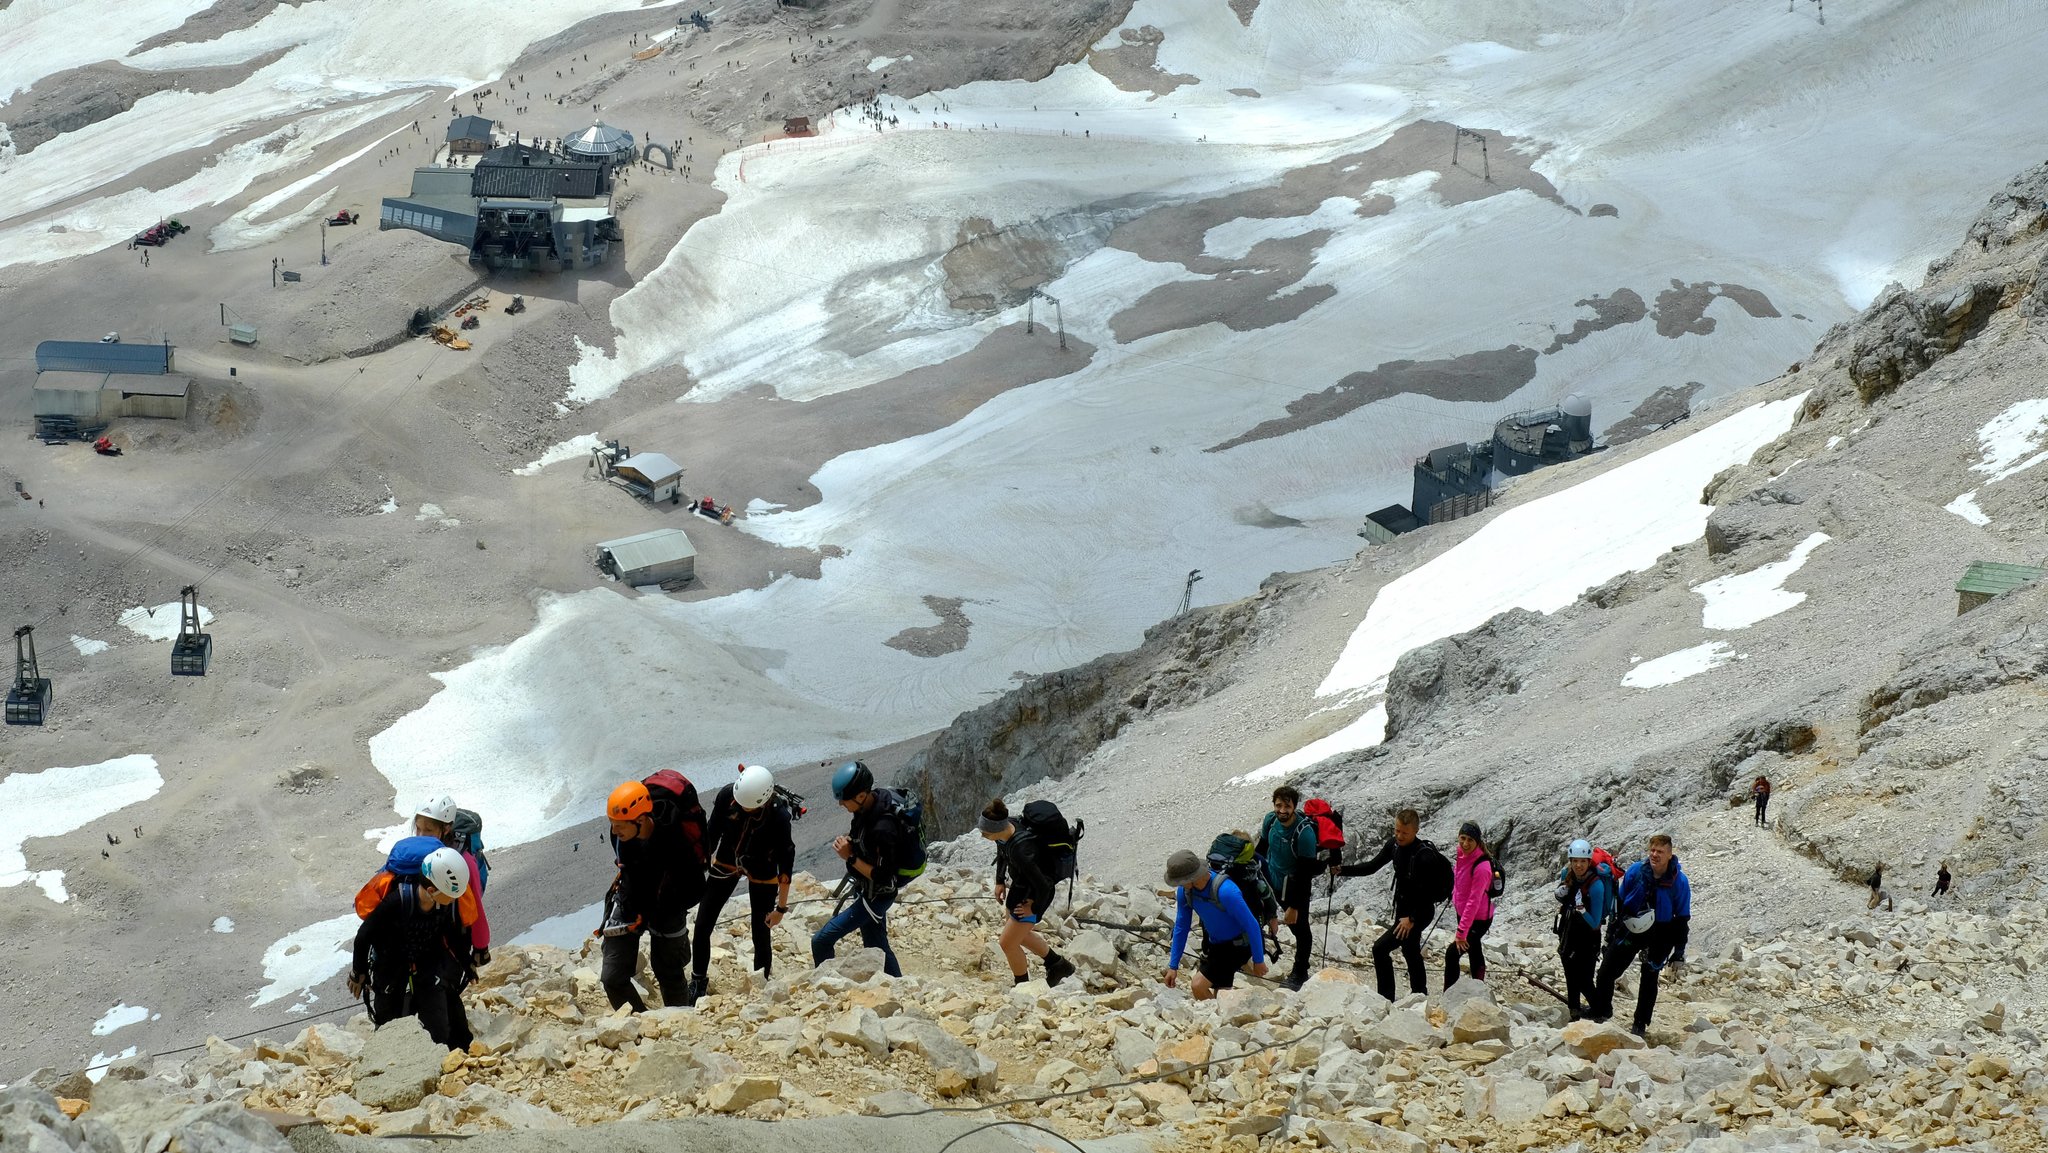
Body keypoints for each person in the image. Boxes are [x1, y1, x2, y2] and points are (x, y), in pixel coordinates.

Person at [349, 843, 474, 1049]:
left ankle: (447, 1058)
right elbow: (364, 936)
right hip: (391, 967)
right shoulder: (396, 901)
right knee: (389, 1024)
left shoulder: (440, 903)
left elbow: (449, 933)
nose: (454, 901)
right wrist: (358, 972)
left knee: (438, 1027)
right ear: (432, 890)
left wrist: (466, 962)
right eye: (451, 896)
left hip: (426, 963)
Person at [601, 775, 707, 1011]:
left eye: (620, 824)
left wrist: (661, 908)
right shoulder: (619, 835)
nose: (614, 830)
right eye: (612, 822)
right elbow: (627, 869)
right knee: (612, 977)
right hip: (631, 899)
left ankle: (678, 1022)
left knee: (667, 970)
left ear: (640, 819)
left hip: (668, 907)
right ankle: (639, 1025)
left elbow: (693, 888)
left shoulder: (674, 840)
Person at [691, 765, 795, 1000]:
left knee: (761, 931)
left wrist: (780, 909)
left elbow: (785, 864)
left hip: (763, 868)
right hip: (728, 859)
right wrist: (702, 867)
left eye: (748, 806)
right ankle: (698, 982)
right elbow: (712, 833)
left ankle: (762, 983)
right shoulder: (729, 796)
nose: (741, 807)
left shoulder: (779, 816)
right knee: (703, 922)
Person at [810, 761, 911, 978]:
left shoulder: (884, 826)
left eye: (844, 800)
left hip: (877, 895)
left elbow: (883, 877)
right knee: (877, 945)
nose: (841, 805)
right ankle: (898, 985)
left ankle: (828, 988)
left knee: (821, 941)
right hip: (869, 890)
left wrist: (851, 856)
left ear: (861, 796)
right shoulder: (873, 805)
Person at [1336, 809, 1443, 1002]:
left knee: (1380, 948)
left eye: (1404, 833)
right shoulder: (1394, 846)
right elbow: (1371, 866)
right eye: (1397, 831)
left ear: (1416, 831)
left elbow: (1429, 894)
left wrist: (1411, 919)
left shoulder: (1424, 856)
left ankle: (1386, 998)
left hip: (1420, 912)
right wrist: (1342, 870)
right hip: (1404, 910)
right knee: (1410, 949)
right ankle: (1420, 996)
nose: (1399, 836)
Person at [1592, 834, 1691, 1036]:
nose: (1655, 855)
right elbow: (1619, 903)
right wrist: (1611, 932)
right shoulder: (1637, 871)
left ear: (1670, 854)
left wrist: (1679, 952)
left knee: (1649, 977)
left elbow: (1682, 918)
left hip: (1661, 933)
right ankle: (1602, 1010)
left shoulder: (1679, 882)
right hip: (1630, 926)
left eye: (1660, 851)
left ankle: (1640, 1023)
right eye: (1652, 850)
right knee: (1606, 971)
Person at [979, 798, 1076, 987]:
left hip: (1031, 896)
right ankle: (1057, 965)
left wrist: (1034, 908)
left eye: (985, 833)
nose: (983, 836)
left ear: (996, 829)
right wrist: (1000, 881)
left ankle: (1022, 986)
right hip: (1020, 888)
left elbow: (1045, 884)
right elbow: (1001, 851)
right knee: (1018, 935)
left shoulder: (1022, 851)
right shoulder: (1008, 828)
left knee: (1007, 944)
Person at [1162, 848, 1267, 999]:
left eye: (1179, 882)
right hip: (1216, 945)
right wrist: (1173, 966)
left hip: (1240, 945)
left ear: (1190, 878)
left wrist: (1259, 960)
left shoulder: (1226, 891)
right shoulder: (1185, 892)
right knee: (1222, 994)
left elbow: (1251, 925)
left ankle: (1221, 1016)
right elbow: (1181, 926)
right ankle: (1225, 1019)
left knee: (1198, 986)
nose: (1178, 885)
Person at [413, 796, 490, 967]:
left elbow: (475, 903)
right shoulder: (415, 851)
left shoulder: (464, 861)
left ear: (446, 828)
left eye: (428, 830)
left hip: (453, 936)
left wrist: (481, 947)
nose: (421, 835)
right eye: (418, 829)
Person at [1259, 786, 1322, 990]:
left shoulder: (1304, 834)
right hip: (1273, 881)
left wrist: (1294, 906)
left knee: (1301, 930)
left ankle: (1300, 972)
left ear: (1294, 806)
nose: (1282, 810)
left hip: (1294, 888)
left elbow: (1305, 874)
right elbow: (1261, 849)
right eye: (1279, 805)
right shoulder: (1270, 821)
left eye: (1287, 806)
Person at [1553, 839, 1614, 1020]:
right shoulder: (1567, 874)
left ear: (1588, 862)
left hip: (1588, 937)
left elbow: (1595, 922)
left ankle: (1600, 1010)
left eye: (1582, 861)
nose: (1578, 865)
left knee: (1584, 979)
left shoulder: (1596, 885)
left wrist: (1582, 910)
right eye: (1575, 861)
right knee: (1570, 972)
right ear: (1570, 861)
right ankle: (1574, 1009)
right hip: (1569, 931)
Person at [1445, 822, 1495, 988]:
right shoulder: (1461, 854)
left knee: (1452, 954)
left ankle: (1449, 995)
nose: (1465, 843)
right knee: (1474, 949)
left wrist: (1461, 932)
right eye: (1462, 838)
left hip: (1479, 918)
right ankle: (1478, 987)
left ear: (1477, 842)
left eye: (1470, 840)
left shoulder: (1483, 867)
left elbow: (1474, 901)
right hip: (1465, 913)